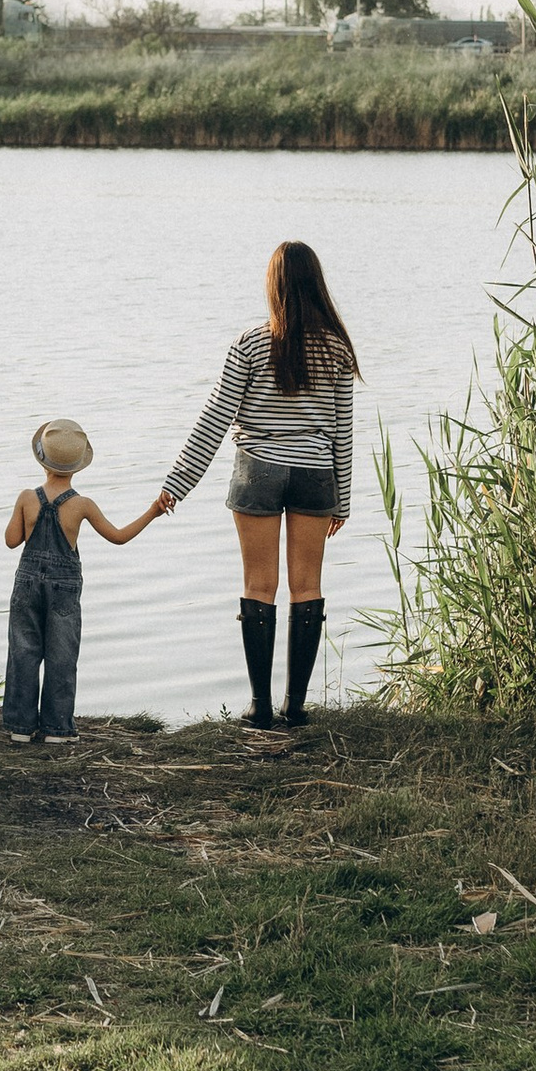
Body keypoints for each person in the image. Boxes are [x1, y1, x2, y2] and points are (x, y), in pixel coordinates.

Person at [157, 241, 359, 730]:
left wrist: (177, 484)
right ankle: (296, 706)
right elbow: (342, 428)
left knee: (258, 586)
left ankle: (260, 707)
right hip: (315, 474)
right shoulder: (336, 347)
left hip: (258, 469)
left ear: (274, 285)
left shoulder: (250, 341)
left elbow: (215, 416)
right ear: (317, 283)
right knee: (307, 586)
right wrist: (343, 500)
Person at [1, 422, 165, 744]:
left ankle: (20, 727)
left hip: (27, 584)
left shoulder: (25, 498)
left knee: (23, 651)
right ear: (77, 467)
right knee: (62, 656)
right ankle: (57, 729)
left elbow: (11, 541)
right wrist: (152, 512)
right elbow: (118, 538)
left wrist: (23, 518)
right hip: (64, 588)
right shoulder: (82, 505)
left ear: (41, 459)